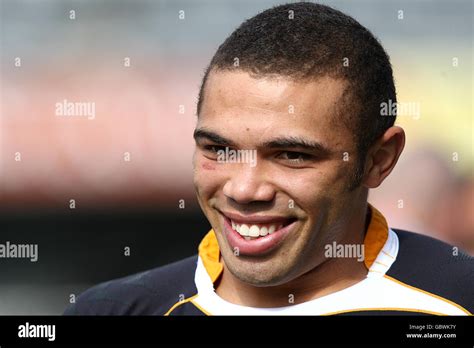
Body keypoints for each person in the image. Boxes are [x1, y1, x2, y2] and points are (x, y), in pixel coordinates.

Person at [64, 2, 473, 316]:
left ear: (378, 160)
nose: (244, 189)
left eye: (292, 155)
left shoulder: (457, 299)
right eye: (218, 150)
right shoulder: (112, 311)